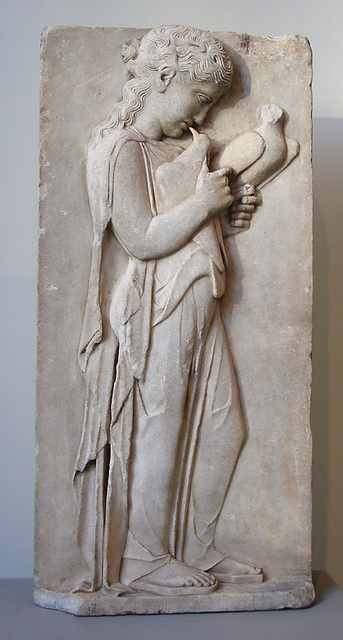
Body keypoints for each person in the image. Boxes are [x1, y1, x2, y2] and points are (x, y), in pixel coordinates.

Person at [74, 25, 262, 597]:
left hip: (198, 295)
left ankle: (198, 546)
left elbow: (186, 221)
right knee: (161, 426)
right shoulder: (119, 149)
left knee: (223, 426)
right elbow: (143, 238)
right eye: (200, 99)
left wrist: (225, 213)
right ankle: (142, 556)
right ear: (162, 78)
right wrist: (203, 203)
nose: (203, 119)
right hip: (159, 305)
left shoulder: (177, 149)